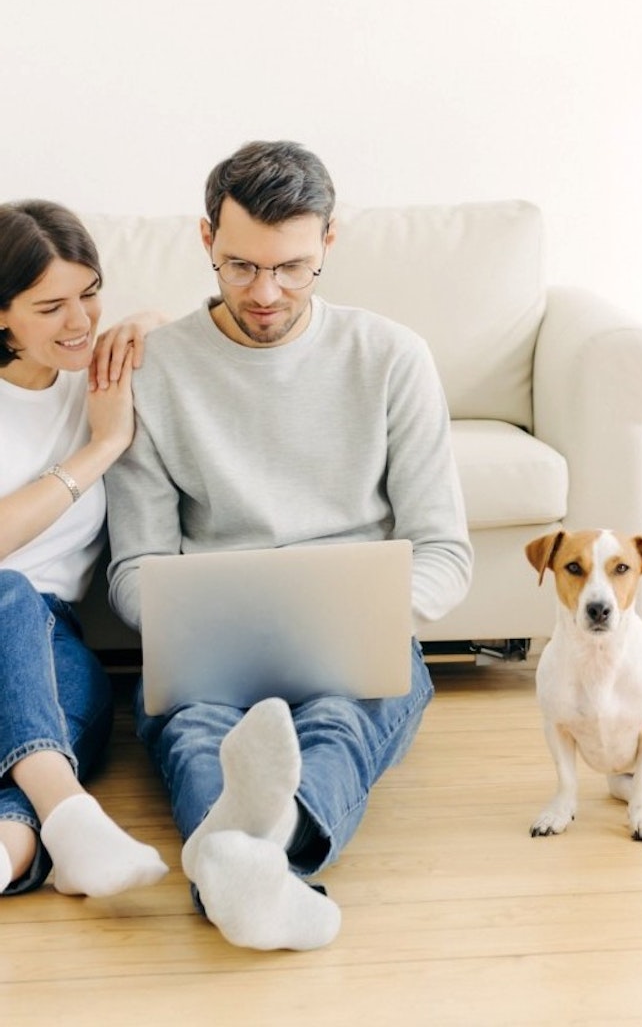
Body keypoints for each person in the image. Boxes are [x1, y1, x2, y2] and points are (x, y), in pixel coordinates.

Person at [105, 140, 472, 951]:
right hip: (210, 645)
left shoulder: (391, 358)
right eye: (239, 267)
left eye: (293, 268)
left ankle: (245, 865)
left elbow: (445, 552)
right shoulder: (155, 369)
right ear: (205, 239)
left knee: (340, 722)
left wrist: (367, 613)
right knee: (201, 728)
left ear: (329, 244)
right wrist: (184, 614)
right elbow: (133, 567)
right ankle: (275, 876)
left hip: (356, 643)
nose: (265, 293)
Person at [0, 199, 169, 898]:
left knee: (78, 693)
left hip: (50, 634)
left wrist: (140, 322)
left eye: (91, 294)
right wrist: (101, 447)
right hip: (9, 602)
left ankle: (23, 846)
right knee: (6, 590)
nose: (80, 322)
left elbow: (178, 325)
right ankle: (71, 815)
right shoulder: (96, 416)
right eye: (51, 307)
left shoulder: (97, 373)